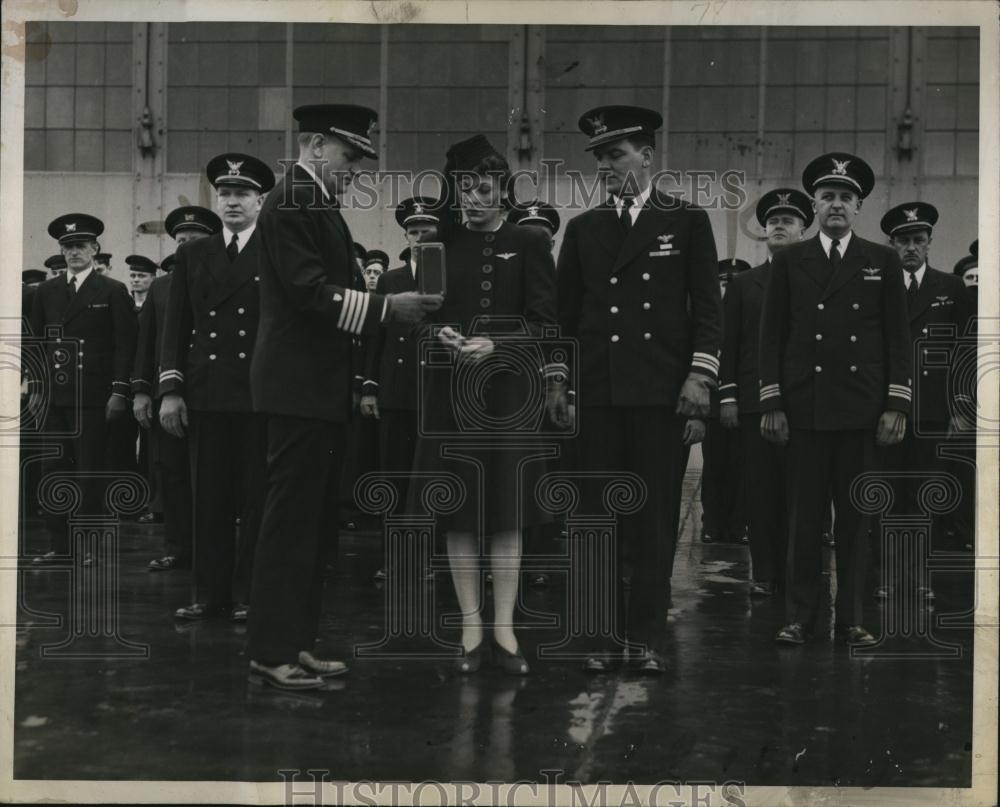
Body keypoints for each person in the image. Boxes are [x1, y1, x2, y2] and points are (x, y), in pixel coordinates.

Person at [247, 103, 442, 690]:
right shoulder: (290, 202)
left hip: (313, 386)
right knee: (289, 521)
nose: (356, 168)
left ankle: (295, 643)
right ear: (314, 145)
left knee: (310, 522)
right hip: (297, 386)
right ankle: (271, 649)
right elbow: (309, 293)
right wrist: (387, 309)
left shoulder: (313, 202)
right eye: (349, 155)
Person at [555, 105, 722, 674]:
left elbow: (708, 310)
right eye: (600, 157)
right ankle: (598, 637)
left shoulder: (688, 221)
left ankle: (644, 637)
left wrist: (700, 375)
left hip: (659, 394)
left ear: (647, 157)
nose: (606, 166)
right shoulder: (582, 229)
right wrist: (560, 379)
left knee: (652, 520)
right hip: (599, 393)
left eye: (617, 154)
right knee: (597, 519)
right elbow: (564, 317)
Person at [407, 134, 558, 676]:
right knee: (460, 513)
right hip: (451, 395)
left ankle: (505, 628)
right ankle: (471, 628)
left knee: (508, 514)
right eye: (466, 188)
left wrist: (501, 344)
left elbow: (545, 323)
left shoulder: (531, 242)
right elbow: (419, 318)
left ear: (503, 192)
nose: (474, 197)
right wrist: (440, 336)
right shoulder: (434, 246)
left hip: (510, 396)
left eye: (485, 188)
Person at [759, 152, 911, 647]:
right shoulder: (788, 261)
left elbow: (897, 339)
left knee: (855, 521)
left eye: (846, 197)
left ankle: (852, 619)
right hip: (804, 409)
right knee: (804, 521)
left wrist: (897, 404)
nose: (836, 205)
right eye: (827, 197)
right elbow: (771, 337)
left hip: (861, 411)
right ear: (815, 206)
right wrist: (773, 402)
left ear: (859, 206)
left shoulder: (882, 260)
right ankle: (800, 616)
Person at [159, 153, 275, 622]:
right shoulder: (193, 253)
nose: (231, 202)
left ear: (260, 200)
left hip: (258, 391)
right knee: (207, 497)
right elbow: (176, 325)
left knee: (255, 497)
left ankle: (249, 594)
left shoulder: (275, 247)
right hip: (205, 391)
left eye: (241, 194)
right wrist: (170, 388)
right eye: (224, 194)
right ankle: (209, 594)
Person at [875, 202, 972, 600]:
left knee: (925, 495)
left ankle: (919, 579)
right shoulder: (878, 283)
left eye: (918, 240)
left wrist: (961, 406)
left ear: (930, 243)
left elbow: (965, 350)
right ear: (892, 244)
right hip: (887, 409)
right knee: (886, 495)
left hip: (933, 410)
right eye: (903, 240)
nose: (910, 248)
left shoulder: (950, 287)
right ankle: (886, 576)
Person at [27, 214, 137, 563]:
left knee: (90, 472)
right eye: (68, 247)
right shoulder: (46, 291)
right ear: (61, 251)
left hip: (94, 397)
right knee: (54, 471)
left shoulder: (112, 290)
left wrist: (119, 391)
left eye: (81, 246)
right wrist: (35, 389)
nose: (74, 252)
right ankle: (60, 546)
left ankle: (87, 546)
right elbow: (36, 344)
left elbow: (125, 346)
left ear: (95, 249)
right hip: (55, 398)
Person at [720, 188, 813, 595]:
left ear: (803, 229)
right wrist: (728, 396)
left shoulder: (815, 281)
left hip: (805, 404)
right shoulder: (744, 283)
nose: (778, 224)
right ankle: (765, 573)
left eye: (788, 220)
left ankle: (797, 573)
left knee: (802, 493)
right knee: (759, 493)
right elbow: (730, 342)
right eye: (773, 219)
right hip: (756, 404)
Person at [133, 207, 222, 569]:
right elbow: (147, 342)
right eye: (180, 241)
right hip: (167, 393)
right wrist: (141, 390)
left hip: (213, 393)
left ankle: (213, 553)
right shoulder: (160, 286)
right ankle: (178, 547)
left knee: (214, 476)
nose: (185, 246)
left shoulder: (225, 279)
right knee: (171, 472)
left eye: (194, 240)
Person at [362, 196, 445, 583]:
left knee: (433, 480)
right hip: (395, 392)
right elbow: (374, 339)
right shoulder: (391, 280)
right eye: (412, 231)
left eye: (426, 231)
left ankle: (429, 558)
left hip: (435, 390)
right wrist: (369, 388)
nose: (418, 237)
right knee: (393, 477)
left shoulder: (448, 277)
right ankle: (393, 558)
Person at [701, 258, 750, 545]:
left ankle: (738, 523)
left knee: (742, 466)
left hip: (745, 400)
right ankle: (713, 521)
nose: (728, 287)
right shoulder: (710, 315)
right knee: (714, 465)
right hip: (713, 401)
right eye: (723, 282)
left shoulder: (751, 312)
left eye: (733, 282)